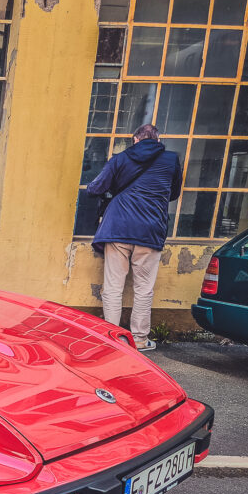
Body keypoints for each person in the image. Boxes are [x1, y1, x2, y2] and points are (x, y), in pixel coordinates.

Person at [87, 123, 182, 352]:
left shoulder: (120, 159)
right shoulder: (171, 160)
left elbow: (95, 188)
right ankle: (139, 339)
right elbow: (174, 193)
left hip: (118, 228)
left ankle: (113, 339)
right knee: (144, 289)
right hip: (150, 230)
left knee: (113, 287)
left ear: (135, 140)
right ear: (158, 140)